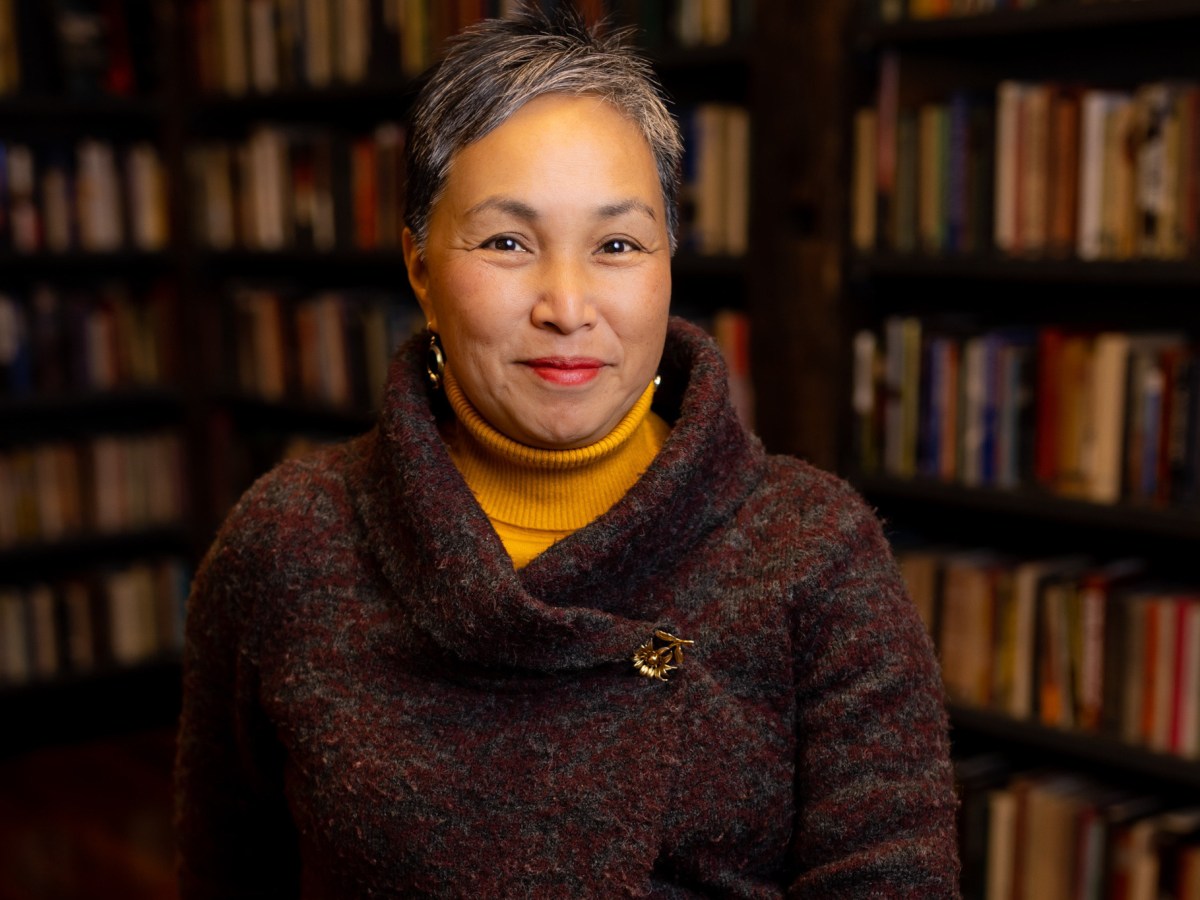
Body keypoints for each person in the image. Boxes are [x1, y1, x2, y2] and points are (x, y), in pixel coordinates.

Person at [174, 6, 961, 897]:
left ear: (670, 263)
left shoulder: (815, 553)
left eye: (617, 244)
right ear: (420, 267)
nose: (567, 305)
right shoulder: (286, 542)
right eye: (508, 242)